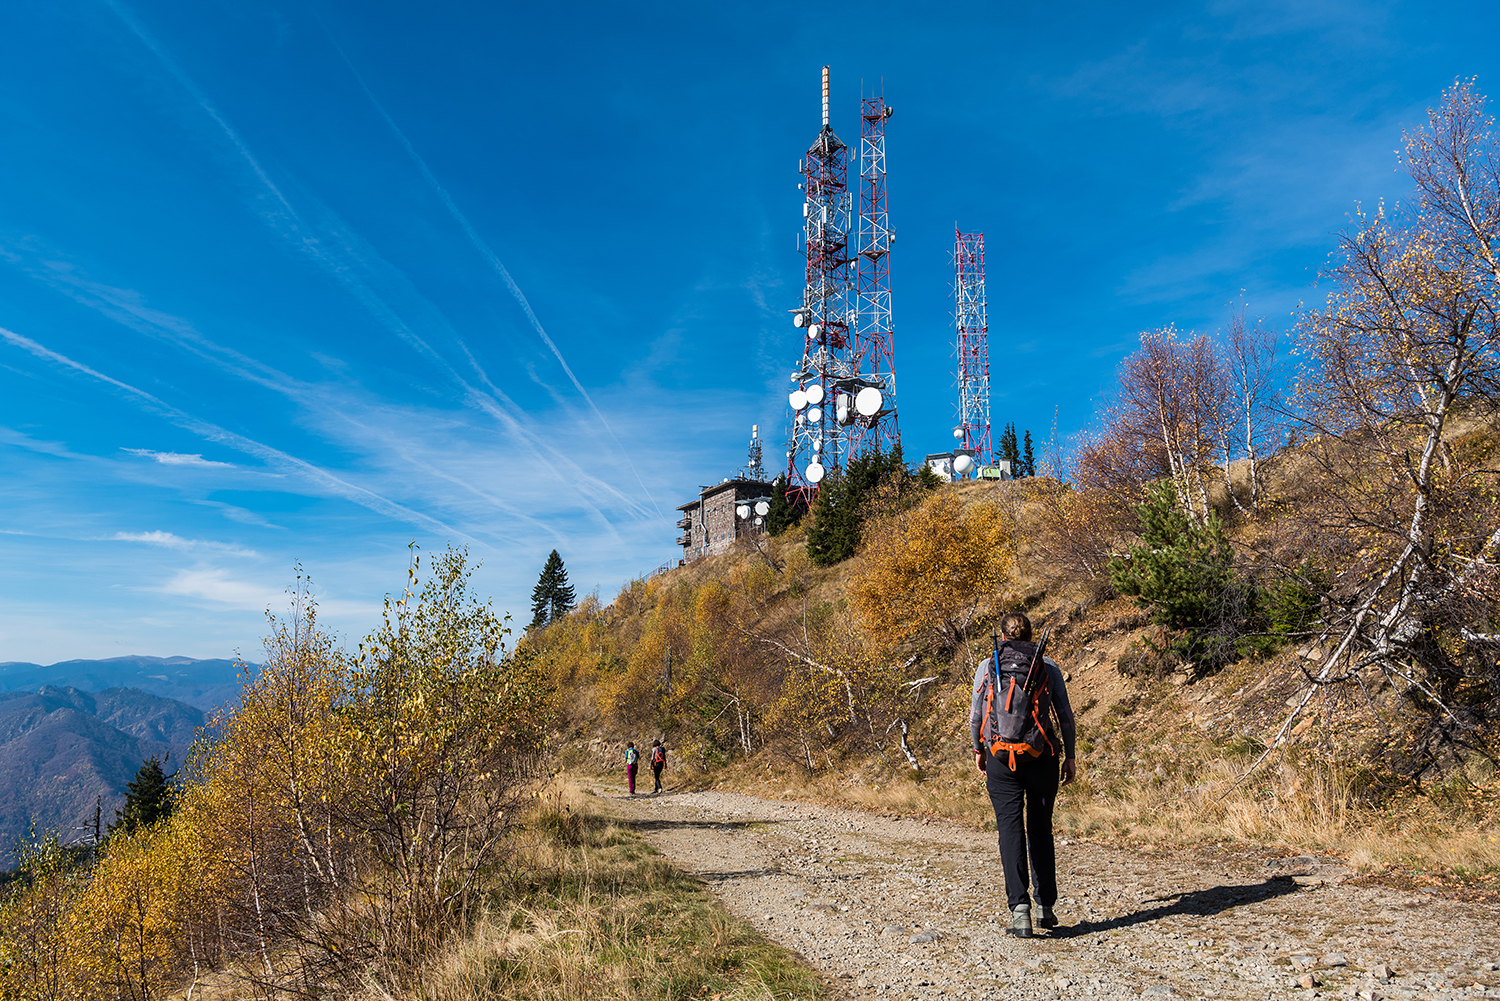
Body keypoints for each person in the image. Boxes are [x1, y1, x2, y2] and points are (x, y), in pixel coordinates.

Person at [970, 611, 1077, 938]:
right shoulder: (1048, 667)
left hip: (1001, 758)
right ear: (1030, 637)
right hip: (1042, 757)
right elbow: (1066, 717)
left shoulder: (988, 667)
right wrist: (1070, 757)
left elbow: (976, 716)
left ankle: (1020, 912)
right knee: (1040, 830)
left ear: (1003, 637)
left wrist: (979, 750)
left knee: (1010, 831)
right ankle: (1046, 907)